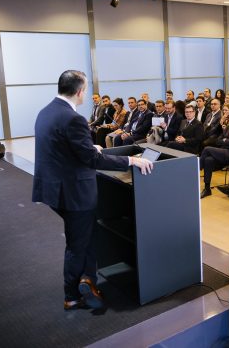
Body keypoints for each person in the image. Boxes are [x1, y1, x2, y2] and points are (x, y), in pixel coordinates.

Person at [32, 70, 153, 311]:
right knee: (77, 245)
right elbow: (93, 160)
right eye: (86, 90)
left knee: (86, 237)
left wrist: (90, 147)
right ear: (79, 91)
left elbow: (62, 148)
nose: (86, 94)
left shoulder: (46, 111)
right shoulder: (73, 118)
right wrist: (131, 161)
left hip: (53, 188)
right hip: (73, 193)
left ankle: (88, 280)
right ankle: (71, 296)